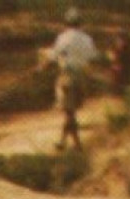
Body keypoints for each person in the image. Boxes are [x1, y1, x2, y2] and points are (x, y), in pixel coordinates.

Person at [48, 8, 99, 151]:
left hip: (67, 76)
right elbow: (93, 56)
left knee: (69, 111)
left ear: (66, 23)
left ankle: (76, 144)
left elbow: (53, 56)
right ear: (80, 23)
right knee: (71, 112)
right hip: (81, 76)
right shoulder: (87, 39)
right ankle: (64, 142)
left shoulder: (62, 38)